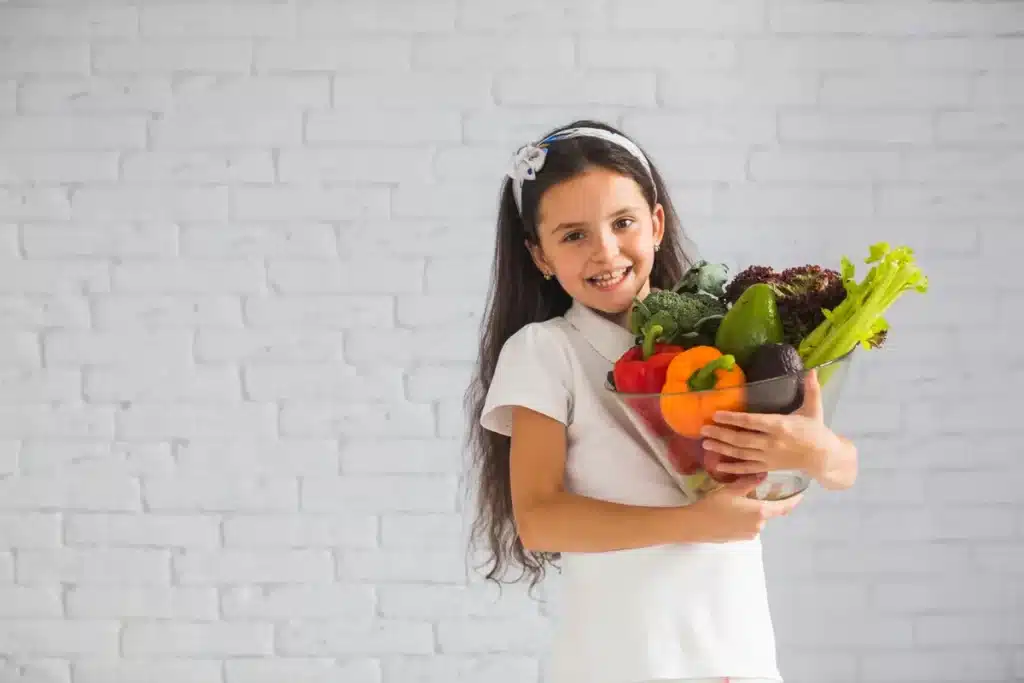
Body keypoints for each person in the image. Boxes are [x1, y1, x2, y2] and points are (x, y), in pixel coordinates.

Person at [464, 120, 858, 683]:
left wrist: (817, 451)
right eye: (573, 235)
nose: (605, 251)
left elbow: (843, 468)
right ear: (540, 255)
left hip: (735, 649)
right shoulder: (545, 351)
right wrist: (694, 522)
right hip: (623, 659)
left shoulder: (722, 336)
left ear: (655, 224)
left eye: (622, 223)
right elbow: (540, 520)